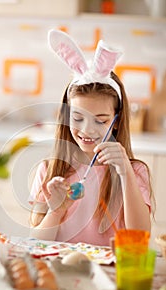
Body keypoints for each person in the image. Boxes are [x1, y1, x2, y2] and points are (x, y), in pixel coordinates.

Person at [29, 29, 153, 246]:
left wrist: (125, 173)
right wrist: (56, 211)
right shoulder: (50, 170)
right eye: (78, 118)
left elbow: (140, 238)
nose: (87, 130)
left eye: (101, 120)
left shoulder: (134, 172)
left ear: (115, 123)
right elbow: (36, 243)